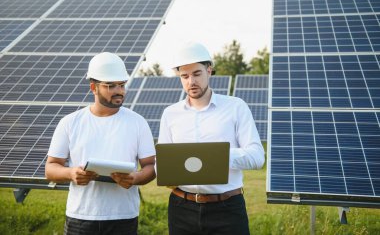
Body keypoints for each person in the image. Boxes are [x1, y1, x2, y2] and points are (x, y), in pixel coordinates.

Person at [158, 42, 265, 235]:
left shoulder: (235, 107)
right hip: (181, 208)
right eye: (185, 76)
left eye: (197, 74)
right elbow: (162, 163)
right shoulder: (170, 114)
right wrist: (166, 170)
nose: (191, 81)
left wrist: (215, 156)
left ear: (209, 70)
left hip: (227, 209)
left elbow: (257, 156)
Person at [45, 52, 156, 235]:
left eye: (121, 85)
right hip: (81, 218)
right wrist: (71, 173)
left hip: (123, 218)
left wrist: (135, 178)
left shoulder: (138, 122)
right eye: (110, 86)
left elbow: (150, 167)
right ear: (93, 88)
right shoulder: (70, 122)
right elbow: (51, 168)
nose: (119, 91)